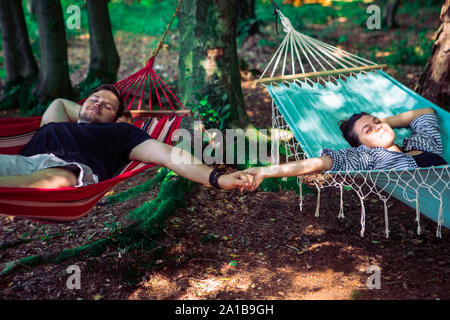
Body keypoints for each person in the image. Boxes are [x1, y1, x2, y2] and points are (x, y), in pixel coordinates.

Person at [0, 84, 253, 191]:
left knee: (55, 176)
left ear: (116, 119)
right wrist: (91, 112)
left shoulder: (121, 133)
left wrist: (217, 178)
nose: (98, 104)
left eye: (107, 106)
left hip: (69, 173)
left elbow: (169, 155)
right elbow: (59, 102)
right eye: (94, 99)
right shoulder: (55, 122)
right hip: (22, 162)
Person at [244, 107, 448, 190]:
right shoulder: (368, 158)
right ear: (361, 145)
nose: (378, 127)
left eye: (377, 122)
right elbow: (319, 163)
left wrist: (384, 122)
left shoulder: (420, 144)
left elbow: (426, 112)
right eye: (368, 131)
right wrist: (266, 171)